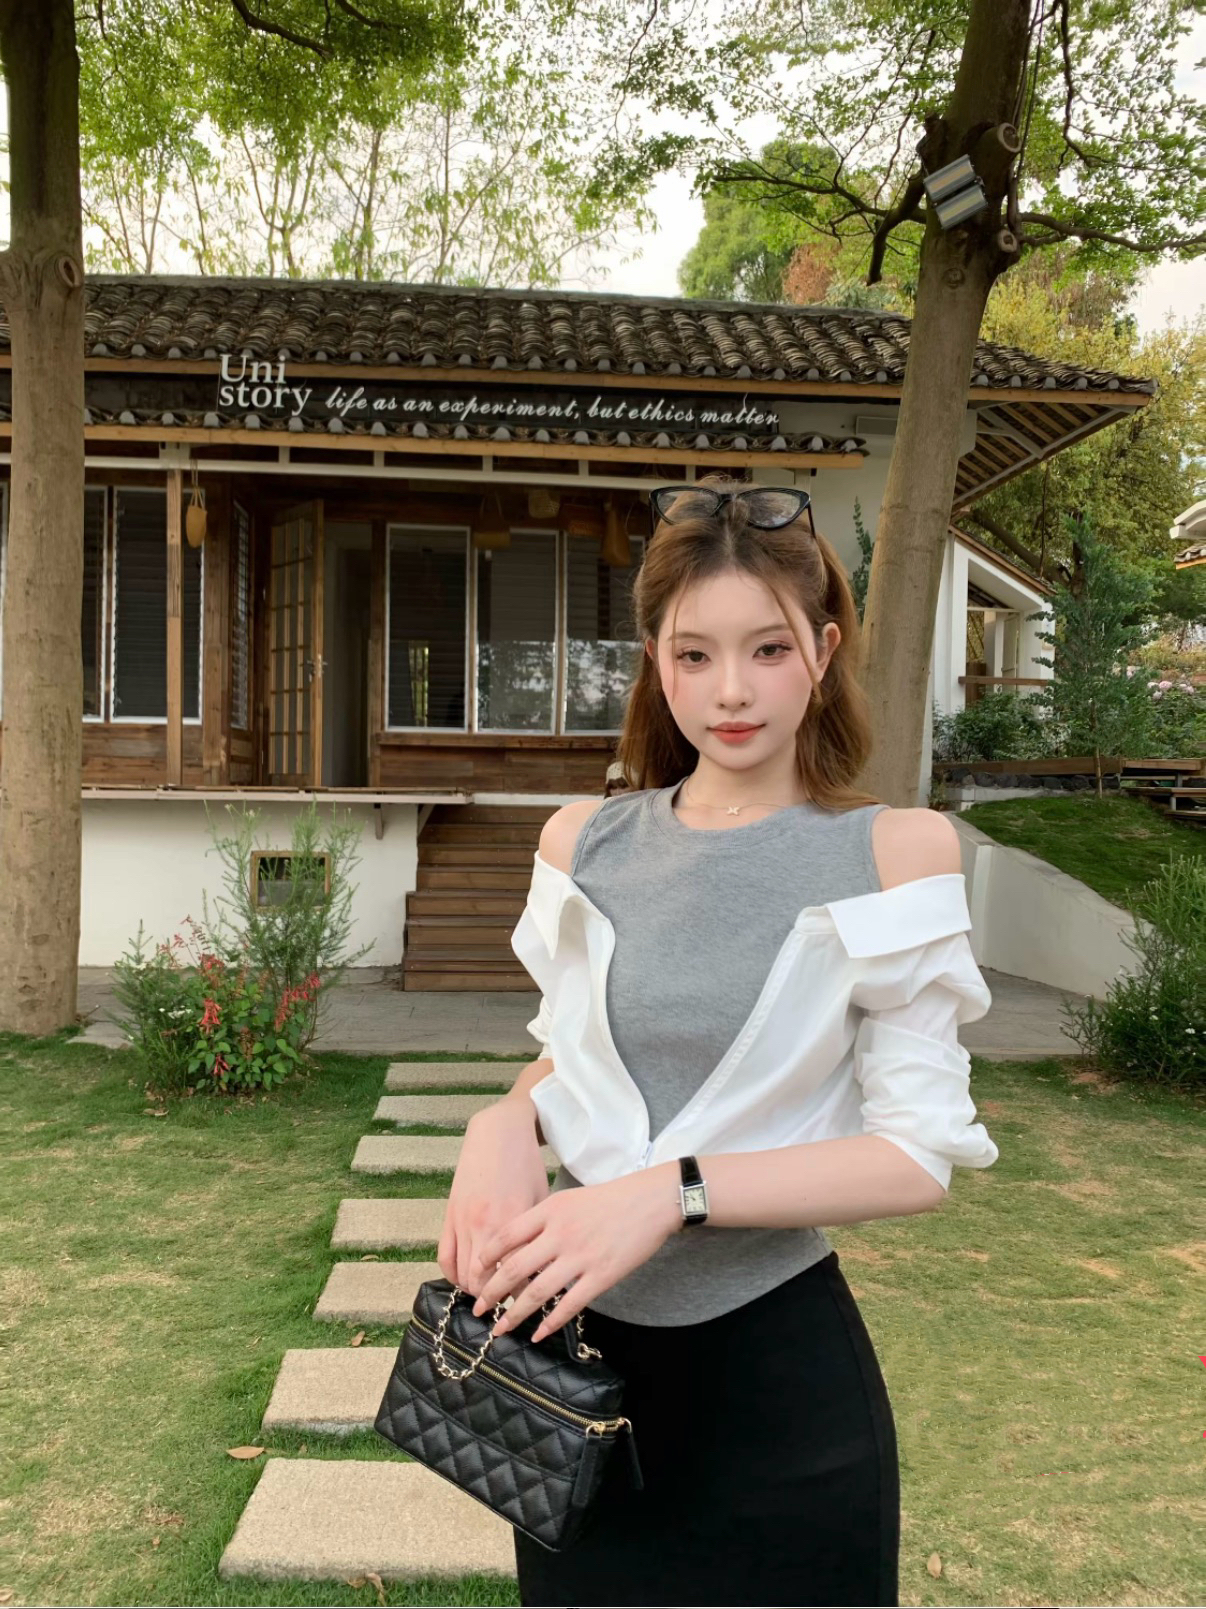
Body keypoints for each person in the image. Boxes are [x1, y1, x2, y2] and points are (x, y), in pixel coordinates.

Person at [437, 474, 1000, 1608]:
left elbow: (914, 1155)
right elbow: (575, 1059)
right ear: (655, 659)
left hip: (779, 1391)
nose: (730, 690)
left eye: (768, 650)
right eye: (694, 654)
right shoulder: (583, 843)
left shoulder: (895, 852)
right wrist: (501, 1121)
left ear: (823, 651)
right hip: (569, 1371)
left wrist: (670, 1194)